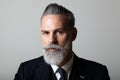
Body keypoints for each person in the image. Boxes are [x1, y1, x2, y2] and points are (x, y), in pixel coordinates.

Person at [14, 3, 110, 80]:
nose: (51, 40)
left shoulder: (98, 73)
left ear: (73, 34)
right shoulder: (25, 72)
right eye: (46, 33)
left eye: (59, 32)